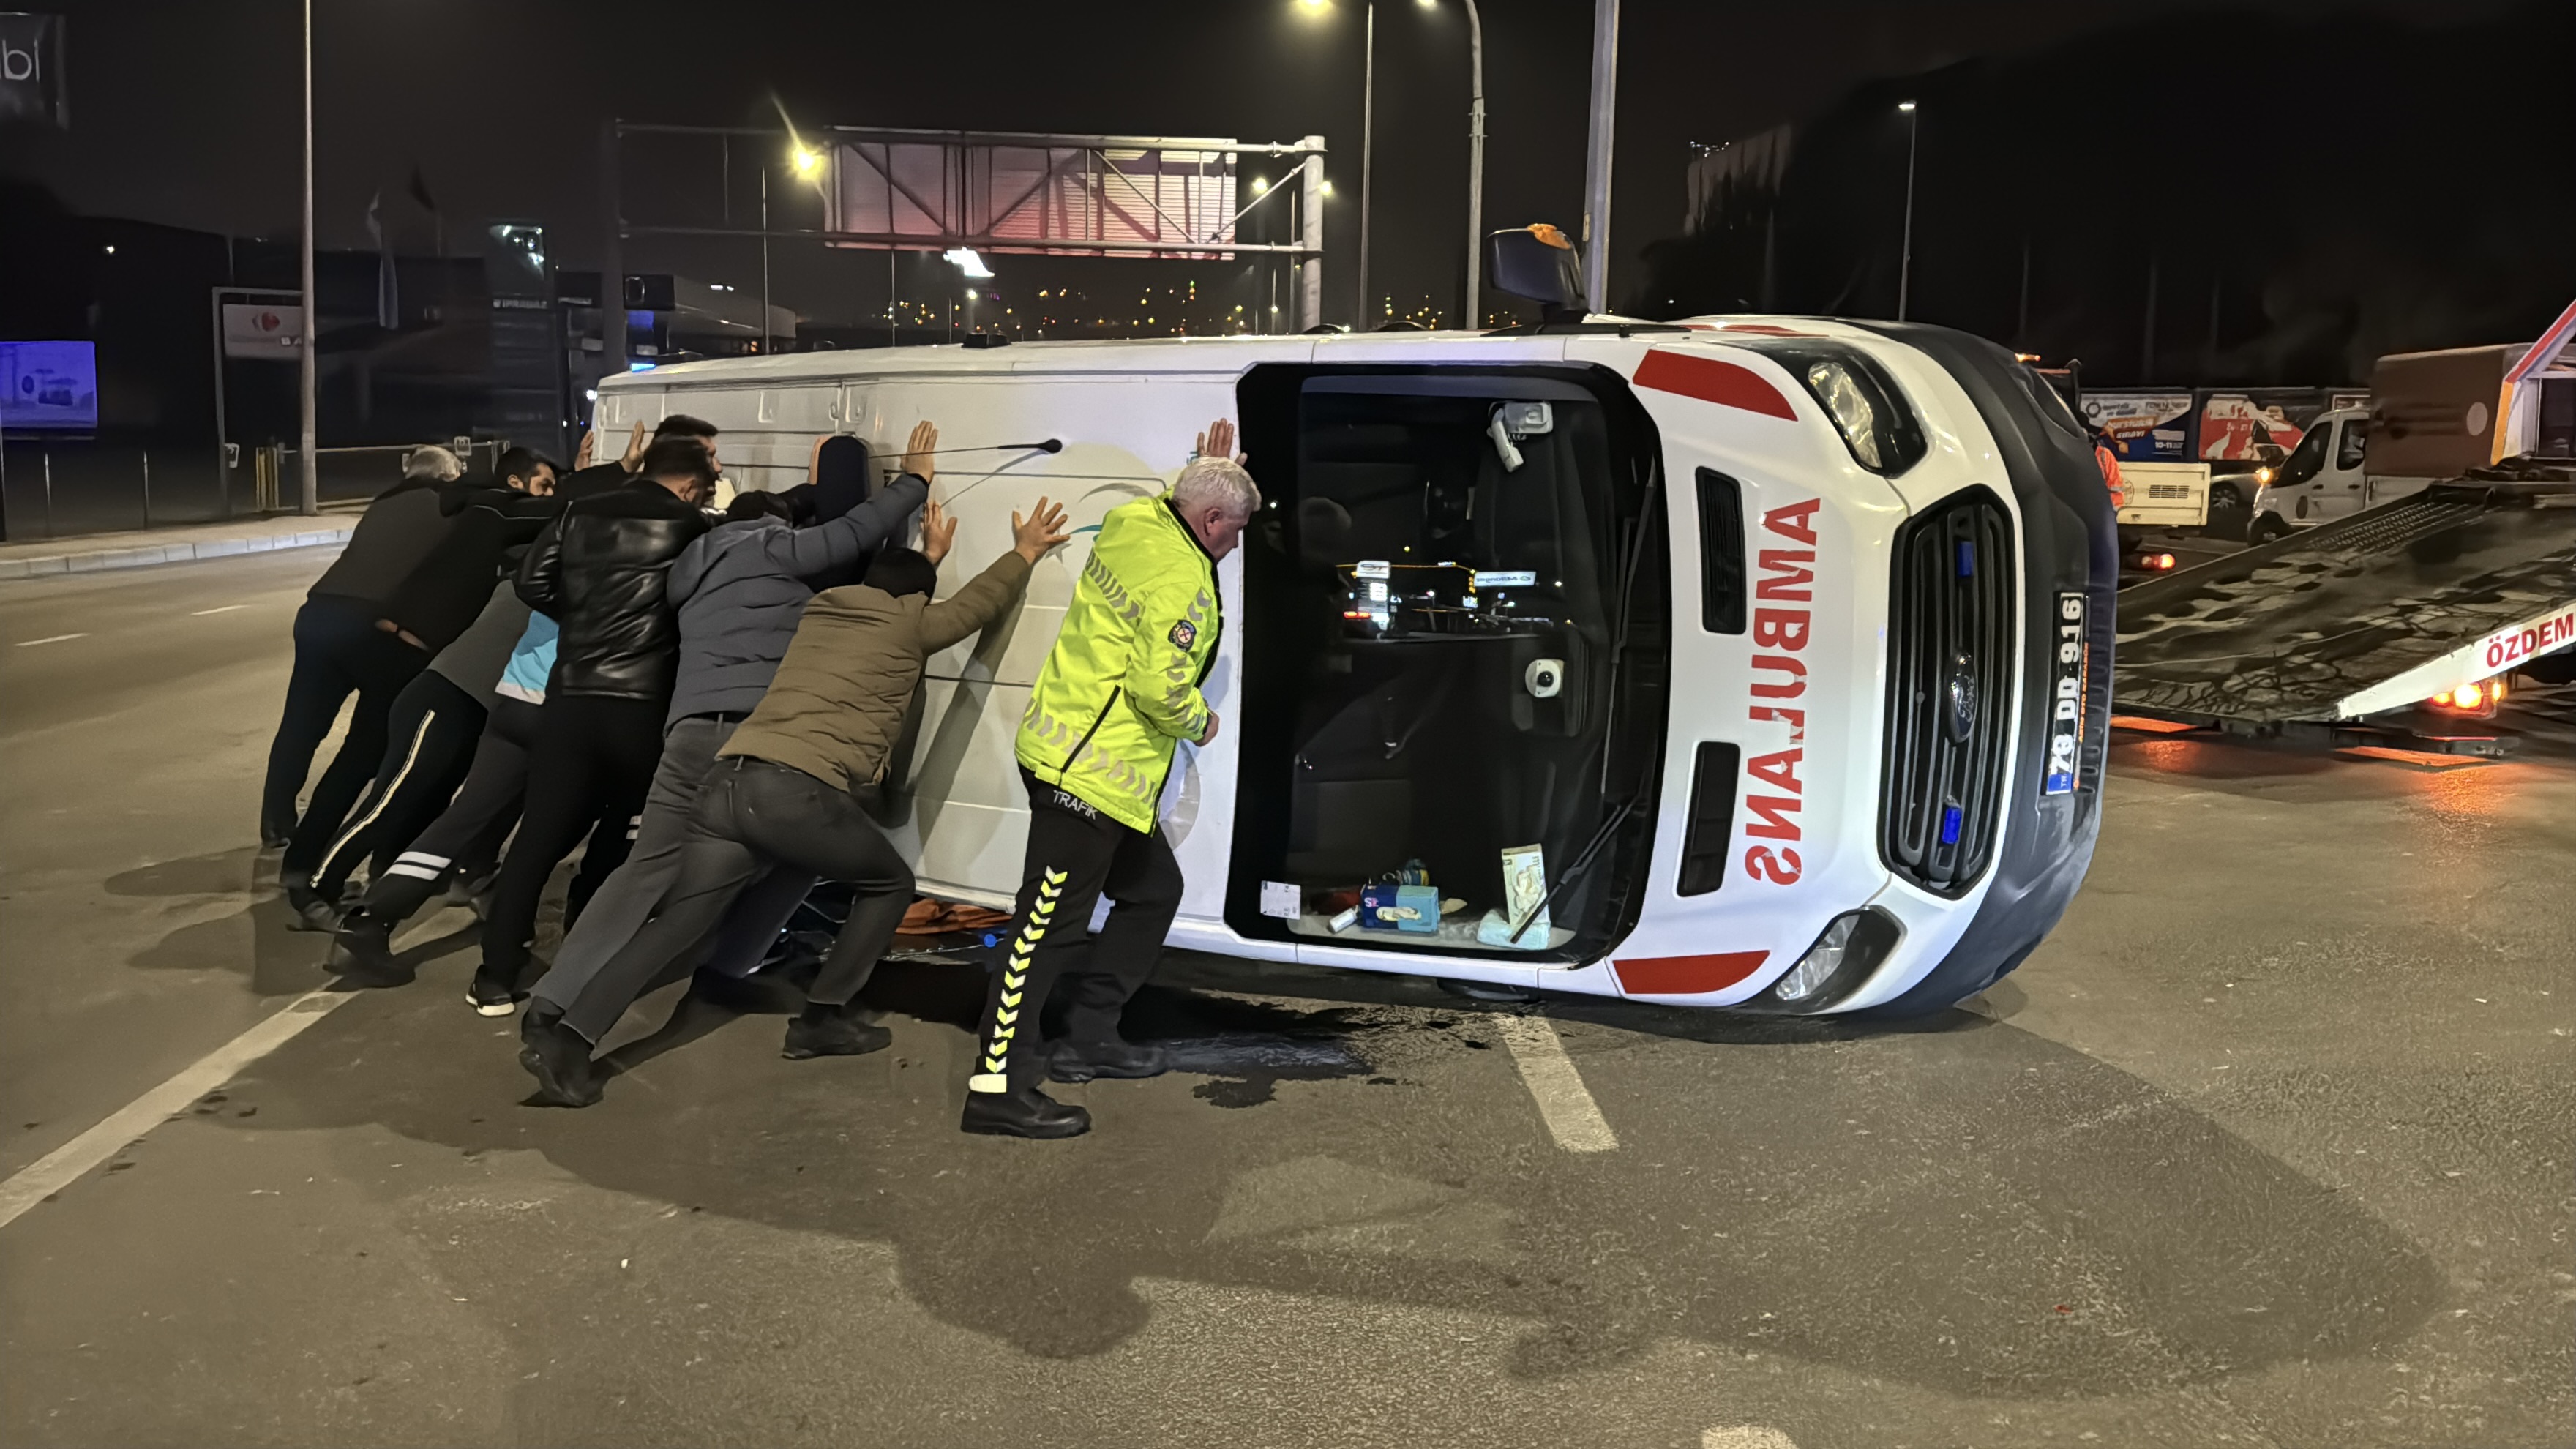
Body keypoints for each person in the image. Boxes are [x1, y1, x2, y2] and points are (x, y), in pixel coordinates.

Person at [519, 495, 1070, 1107]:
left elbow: (897, 594)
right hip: (793, 790)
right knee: (887, 883)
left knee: (677, 921)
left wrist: (927, 556)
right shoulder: (911, 623)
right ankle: (822, 1018)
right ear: (917, 600)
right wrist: (1023, 551)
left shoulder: (819, 615)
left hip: (727, 783)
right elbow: (975, 608)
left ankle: (569, 1037)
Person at [523, 424, 936, 1025]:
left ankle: (554, 1000)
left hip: (686, 730)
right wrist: (915, 481)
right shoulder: (772, 547)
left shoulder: (691, 567)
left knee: (645, 870)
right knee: (798, 855)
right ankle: (728, 973)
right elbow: (854, 532)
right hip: (751, 738)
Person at [963, 419, 1256, 1139]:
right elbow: (1159, 689)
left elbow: (1172, 504)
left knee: (1154, 890)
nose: (1238, 542)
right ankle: (998, 1085)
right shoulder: (1183, 580)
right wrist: (1202, 722)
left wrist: (1205, 467)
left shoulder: (1137, 520)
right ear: (1210, 520)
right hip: (1087, 776)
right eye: (1235, 528)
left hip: (1085, 763)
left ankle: (1090, 1036)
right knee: (1042, 932)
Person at [468, 437, 716, 1014]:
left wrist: (585, 616)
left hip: (572, 695)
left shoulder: (579, 510)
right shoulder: (691, 527)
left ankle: (495, 974)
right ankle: (588, 949)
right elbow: (697, 604)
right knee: (624, 836)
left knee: (537, 839)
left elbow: (530, 583)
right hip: (644, 704)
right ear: (687, 486)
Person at [279, 448, 563, 925]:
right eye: (545, 486)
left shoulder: (491, 521)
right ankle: (309, 874)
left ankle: (383, 870)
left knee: (419, 778)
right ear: (515, 484)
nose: (549, 498)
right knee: (372, 771)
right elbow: (554, 511)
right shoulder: (490, 511)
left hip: (417, 654)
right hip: (404, 654)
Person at [259, 444, 463, 847]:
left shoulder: (383, 502)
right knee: (367, 740)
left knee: (301, 726)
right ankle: (328, 830)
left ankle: (276, 821)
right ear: (447, 476)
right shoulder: (446, 504)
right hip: (373, 627)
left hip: (319, 611)